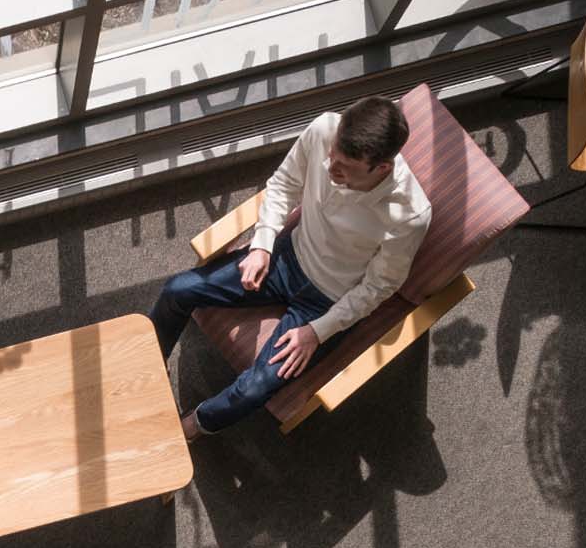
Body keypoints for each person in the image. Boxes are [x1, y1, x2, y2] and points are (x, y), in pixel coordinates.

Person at [150, 95, 432, 439]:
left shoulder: (409, 215)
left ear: (382, 169)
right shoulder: (325, 129)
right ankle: (150, 366)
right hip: (284, 257)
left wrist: (317, 332)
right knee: (177, 289)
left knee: (255, 389)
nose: (330, 169)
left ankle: (190, 428)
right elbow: (283, 185)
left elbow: (378, 288)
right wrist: (262, 245)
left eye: (344, 168)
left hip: (323, 305)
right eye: (332, 156)